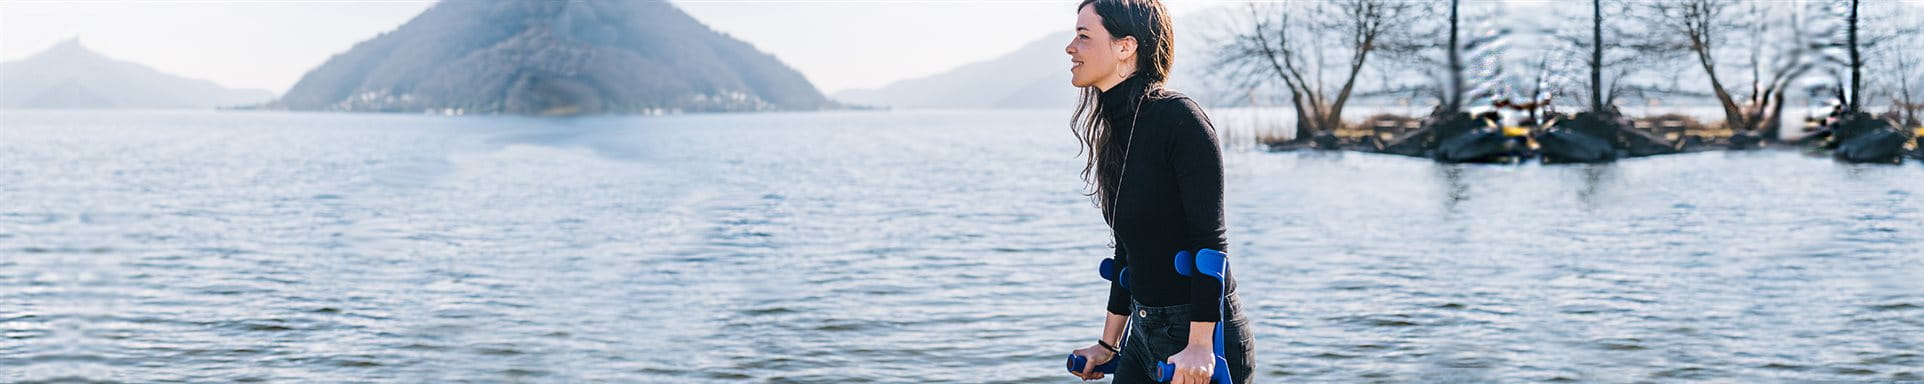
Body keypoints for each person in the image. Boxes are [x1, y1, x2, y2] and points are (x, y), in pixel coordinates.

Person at [1061, 1, 1253, 383]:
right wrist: (1108, 344)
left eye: (1084, 36)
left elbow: (1210, 245)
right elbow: (1127, 251)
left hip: (1200, 337)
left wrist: (1201, 344)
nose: (1071, 47)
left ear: (1125, 47)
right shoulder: (1117, 130)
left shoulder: (1179, 119)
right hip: (1143, 332)